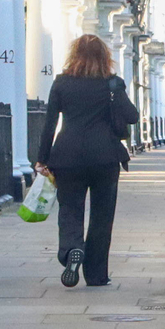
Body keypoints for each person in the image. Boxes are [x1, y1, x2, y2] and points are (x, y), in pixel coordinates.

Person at [34, 34, 136, 288]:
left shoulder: (61, 83)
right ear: (104, 57)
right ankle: (96, 274)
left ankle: (71, 250)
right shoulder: (113, 84)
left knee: (69, 209)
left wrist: (42, 159)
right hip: (105, 157)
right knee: (102, 215)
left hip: (67, 156)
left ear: (74, 55)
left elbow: (49, 125)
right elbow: (132, 116)